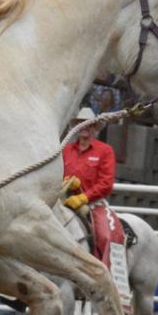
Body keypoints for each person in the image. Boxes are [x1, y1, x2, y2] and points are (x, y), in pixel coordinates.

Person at [61, 107, 117, 263]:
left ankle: (103, 271)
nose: (84, 127)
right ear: (76, 127)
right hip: (65, 202)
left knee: (105, 236)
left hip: (93, 205)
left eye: (88, 124)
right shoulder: (66, 150)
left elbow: (106, 183)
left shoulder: (105, 151)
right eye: (80, 123)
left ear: (94, 127)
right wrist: (64, 183)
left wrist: (84, 197)